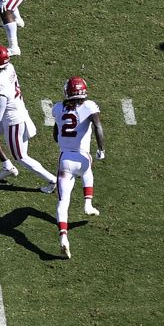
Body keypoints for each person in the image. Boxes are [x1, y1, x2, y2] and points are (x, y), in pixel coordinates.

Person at [0, 45, 56, 190]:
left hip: (14, 121)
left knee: (21, 157)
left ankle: (53, 180)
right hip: (14, 112)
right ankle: (7, 167)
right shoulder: (9, 67)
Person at [51, 76, 106, 259]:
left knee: (62, 203)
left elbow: (55, 134)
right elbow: (98, 126)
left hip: (65, 159)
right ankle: (87, 203)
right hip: (83, 158)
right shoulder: (89, 106)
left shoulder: (58, 108)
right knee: (88, 170)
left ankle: (64, 237)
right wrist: (101, 149)